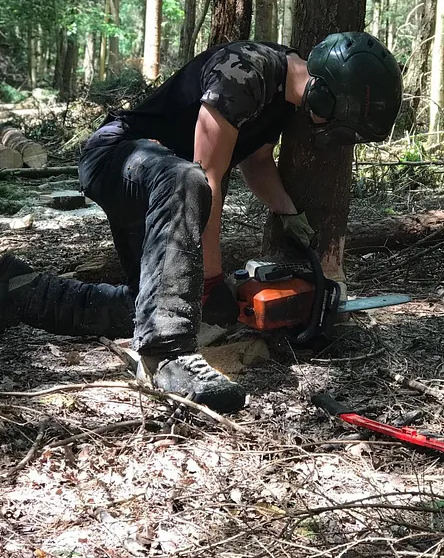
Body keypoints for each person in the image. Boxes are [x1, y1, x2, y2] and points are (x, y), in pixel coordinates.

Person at [0, 32, 403, 413]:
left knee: (150, 304)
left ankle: (19, 290)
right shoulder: (244, 70)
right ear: (325, 97)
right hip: (117, 156)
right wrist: (210, 281)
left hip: (167, 190)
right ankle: (167, 356)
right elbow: (207, 175)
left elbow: (257, 161)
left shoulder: (285, 97)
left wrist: (288, 212)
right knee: (185, 185)